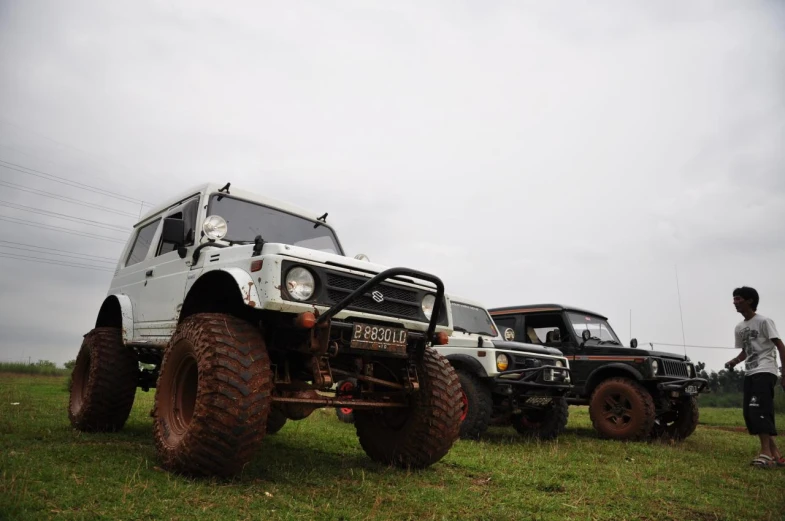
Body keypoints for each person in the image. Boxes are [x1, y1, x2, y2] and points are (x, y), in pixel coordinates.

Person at [725, 286, 785, 469]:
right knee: (750, 413)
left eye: (738, 299)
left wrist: (784, 372)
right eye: (734, 299)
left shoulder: (764, 321)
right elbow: (746, 350)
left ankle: (765, 453)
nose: (734, 302)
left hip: (766, 370)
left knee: (758, 409)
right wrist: (734, 361)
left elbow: (780, 345)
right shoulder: (740, 327)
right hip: (750, 372)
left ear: (750, 301)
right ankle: (776, 455)